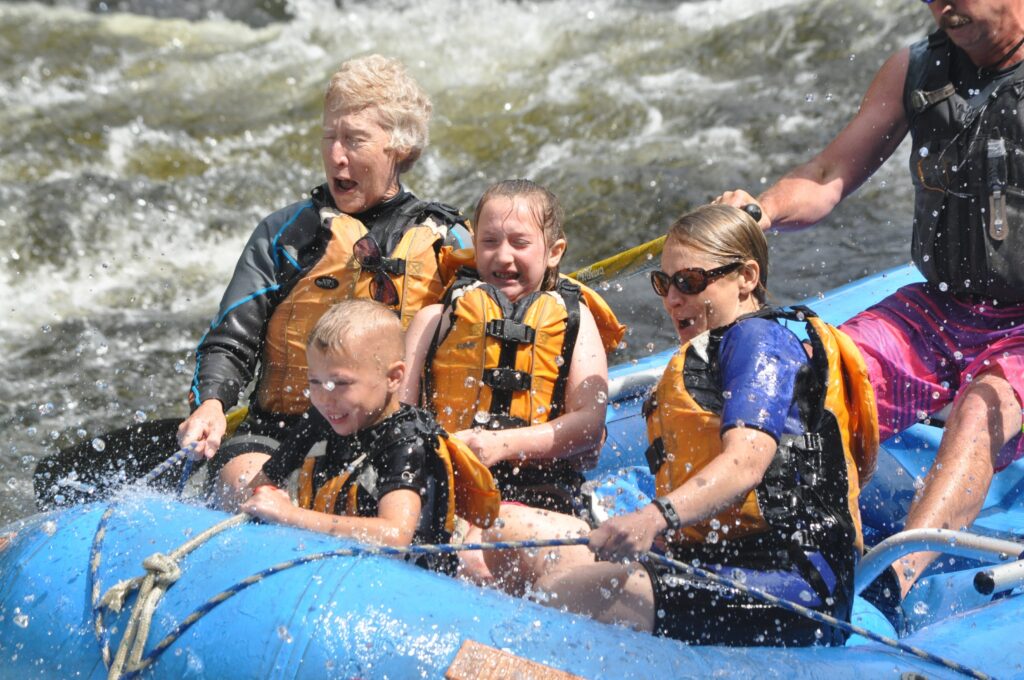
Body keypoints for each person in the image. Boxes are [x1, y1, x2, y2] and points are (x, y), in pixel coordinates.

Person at [716, 0, 1024, 603]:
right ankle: (762, 526)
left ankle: (896, 580)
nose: (945, 7)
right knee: (818, 382)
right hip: (940, 309)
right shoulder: (915, 69)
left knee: (982, 408)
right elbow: (830, 172)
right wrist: (762, 210)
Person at [481, 205, 876, 646]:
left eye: (689, 282)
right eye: (663, 283)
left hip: (792, 586)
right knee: (506, 532)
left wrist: (655, 519)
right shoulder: (711, 353)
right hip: (707, 560)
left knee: (570, 591)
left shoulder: (760, 341)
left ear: (746, 277)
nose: (672, 299)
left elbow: (747, 463)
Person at [177, 54, 471, 477]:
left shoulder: (448, 241)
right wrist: (212, 403)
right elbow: (230, 339)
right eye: (329, 137)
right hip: (278, 436)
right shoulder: (288, 234)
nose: (335, 156)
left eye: (354, 140)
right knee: (242, 479)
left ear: (399, 146)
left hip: (398, 442)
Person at [401, 179, 624, 515]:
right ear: (475, 246)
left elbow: (589, 426)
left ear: (554, 252)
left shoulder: (576, 322)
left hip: (541, 493)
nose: (503, 256)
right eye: (489, 242)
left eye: (520, 243)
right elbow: (398, 419)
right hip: (448, 490)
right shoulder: (434, 320)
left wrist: (500, 445)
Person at [226, 299, 498, 571]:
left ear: (393, 377)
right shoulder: (322, 418)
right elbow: (263, 483)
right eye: (315, 382)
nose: (324, 397)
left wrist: (290, 515)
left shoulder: (407, 442)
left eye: (340, 383)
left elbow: (395, 536)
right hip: (333, 561)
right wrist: (265, 501)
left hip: (406, 578)